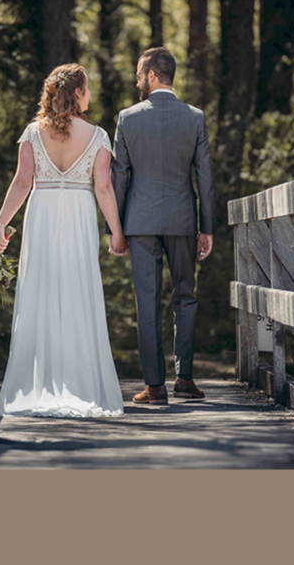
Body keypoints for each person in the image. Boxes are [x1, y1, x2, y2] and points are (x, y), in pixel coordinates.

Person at [0, 64, 126, 418]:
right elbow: (103, 187)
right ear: (77, 94)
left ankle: (37, 385)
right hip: (78, 217)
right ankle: (80, 384)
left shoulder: (32, 133)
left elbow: (22, 182)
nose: (90, 96)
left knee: (40, 293)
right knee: (77, 291)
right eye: (87, 89)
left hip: (42, 216)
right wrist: (116, 231)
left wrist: (1, 224)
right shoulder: (98, 135)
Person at [110, 47, 216, 405]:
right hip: (184, 219)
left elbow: (119, 177)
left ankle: (155, 387)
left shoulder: (127, 118)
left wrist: (117, 229)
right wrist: (208, 227)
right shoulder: (195, 117)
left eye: (140, 75)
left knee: (148, 301)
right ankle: (184, 378)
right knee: (185, 297)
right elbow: (205, 176)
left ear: (153, 75)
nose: (137, 81)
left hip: (139, 223)